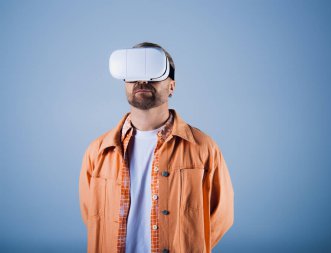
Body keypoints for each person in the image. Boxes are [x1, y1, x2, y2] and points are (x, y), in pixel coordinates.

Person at [79, 42, 234, 253]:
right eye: (134, 73)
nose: (143, 80)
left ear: (172, 86)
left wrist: (187, 244)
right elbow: (92, 216)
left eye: (154, 73)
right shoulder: (97, 152)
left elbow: (221, 216)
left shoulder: (203, 149)